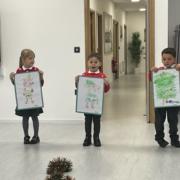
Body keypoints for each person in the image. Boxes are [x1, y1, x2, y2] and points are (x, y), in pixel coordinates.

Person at [75, 53, 110, 147]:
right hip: (87, 104)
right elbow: (80, 89)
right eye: (91, 62)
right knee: (87, 121)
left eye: (95, 62)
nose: (93, 64)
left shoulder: (102, 76)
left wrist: (106, 84)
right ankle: (87, 138)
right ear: (87, 63)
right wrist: (77, 81)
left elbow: (106, 90)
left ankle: (96, 138)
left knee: (97, 122)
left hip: (97, 104)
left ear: (100, 64)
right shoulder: (84, 75)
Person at [9, 49, 44, 144]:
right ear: (23, 60)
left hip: (34, 100)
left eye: (33, 58)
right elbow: (17, 86)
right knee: (25, 118)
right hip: (24, 100)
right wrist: (12, 78)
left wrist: (41, 76)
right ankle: (26, 136)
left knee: (34, 117)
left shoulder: (36, 70)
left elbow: (40, 84)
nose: (33, 60)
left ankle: (36, 136)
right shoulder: (19, 71)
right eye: (30, 58)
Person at [151, 47, 180, 148]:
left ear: (174, 59)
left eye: (169, 59)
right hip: (161, 102)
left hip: (173, 102)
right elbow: (151, 79)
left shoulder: (177, 69)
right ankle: (159, 138)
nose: (166, 61)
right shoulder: (160, 70)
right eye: (164, 59)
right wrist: (153, 71)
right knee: (159, 121)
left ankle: (174, 139)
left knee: (173, 121)